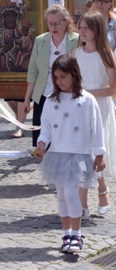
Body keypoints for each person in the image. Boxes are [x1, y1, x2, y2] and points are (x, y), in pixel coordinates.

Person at [34, 55, 105, 253]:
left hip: (78, 154)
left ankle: (77, 233)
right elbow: (46, 127)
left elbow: (96, 127)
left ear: (74, 74)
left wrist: (100, 153)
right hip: (56, 155)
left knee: (71, 193)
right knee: (61, 197)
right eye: (56, 77)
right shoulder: (51, 100)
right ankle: (67, 234)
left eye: (63, 76)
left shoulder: (87, 99)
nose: (59, 81)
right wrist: (42, 143)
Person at [73, 11, 116, 218]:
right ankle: (83, 203)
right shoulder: (77, 53)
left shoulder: (105, 54)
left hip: (100, 107)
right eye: (80, 27)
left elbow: (112, 90)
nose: (82, 32)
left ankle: (102, 190)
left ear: (96, 29)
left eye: (86, 28)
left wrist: (88, 93)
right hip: (81, 108)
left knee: (96, 150)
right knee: (83, 151)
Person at [21, 6, 78, 143]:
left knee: (64, 135)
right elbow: (33, 70)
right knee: (43, 137)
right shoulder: (41, 41)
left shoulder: (76, 40)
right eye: (50, 23)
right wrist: (27, 98)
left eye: (57, 23)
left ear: (66, 22)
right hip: (44, 94)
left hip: (68, 94)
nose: (53, 26)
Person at [0, 0, 33, 73]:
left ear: (17, 17)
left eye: (13, 15)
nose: (10, 19)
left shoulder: (23, 34)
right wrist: (2, 50)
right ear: (2, 18)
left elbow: (30, 54)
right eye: (7, 15)